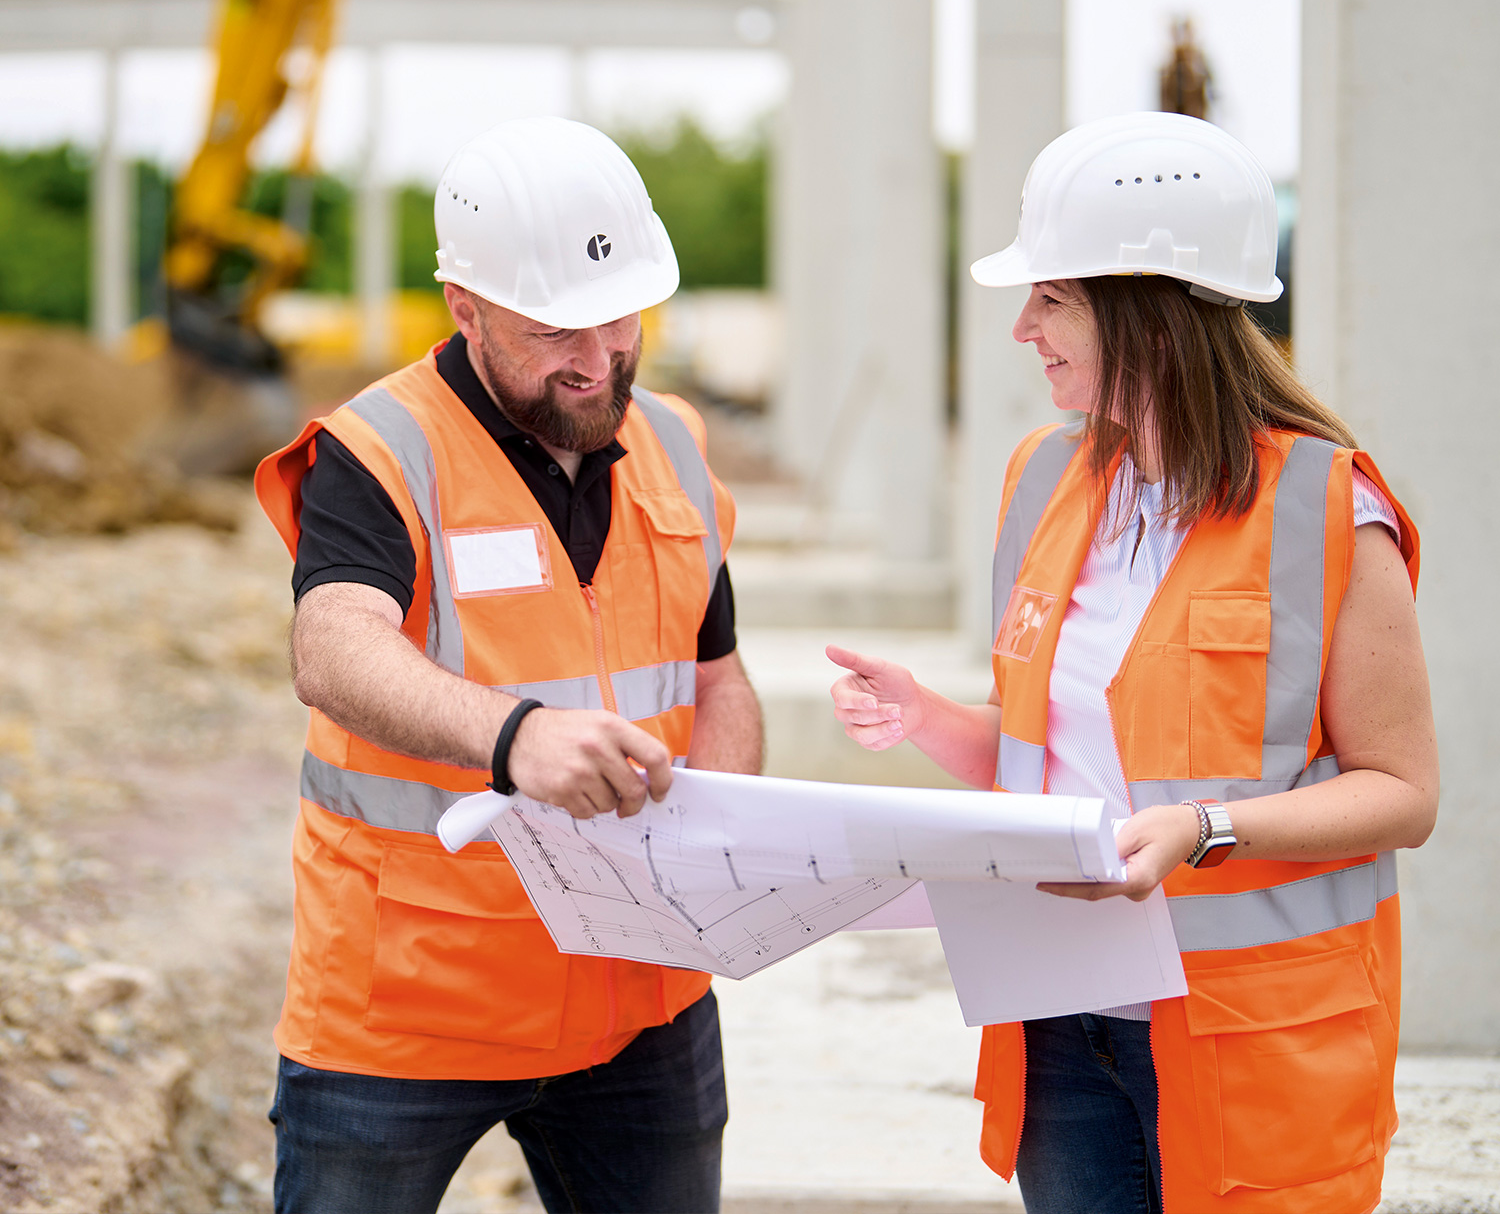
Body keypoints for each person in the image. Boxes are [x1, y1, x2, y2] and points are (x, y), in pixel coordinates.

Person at [828, 112, 1437, 1214]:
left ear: (1149, 312)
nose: (1022, 328)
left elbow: (1402, 795)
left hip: (1254, 1038)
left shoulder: (1327, 510)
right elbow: (1047, 754)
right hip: (1063, 1024)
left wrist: (1205, 829)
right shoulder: (1039, 478)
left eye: (1052, 297)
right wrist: (925, 714)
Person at [254, 117, 764, 1214]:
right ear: (467, 309)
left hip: (645, 999)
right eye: (555, 332)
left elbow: (717, 678)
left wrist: (729, 835)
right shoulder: (381, 447)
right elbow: (333, 645)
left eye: (621, 317)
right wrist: (514, 736)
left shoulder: (673, 442)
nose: (597, 359)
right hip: (411, 1007)